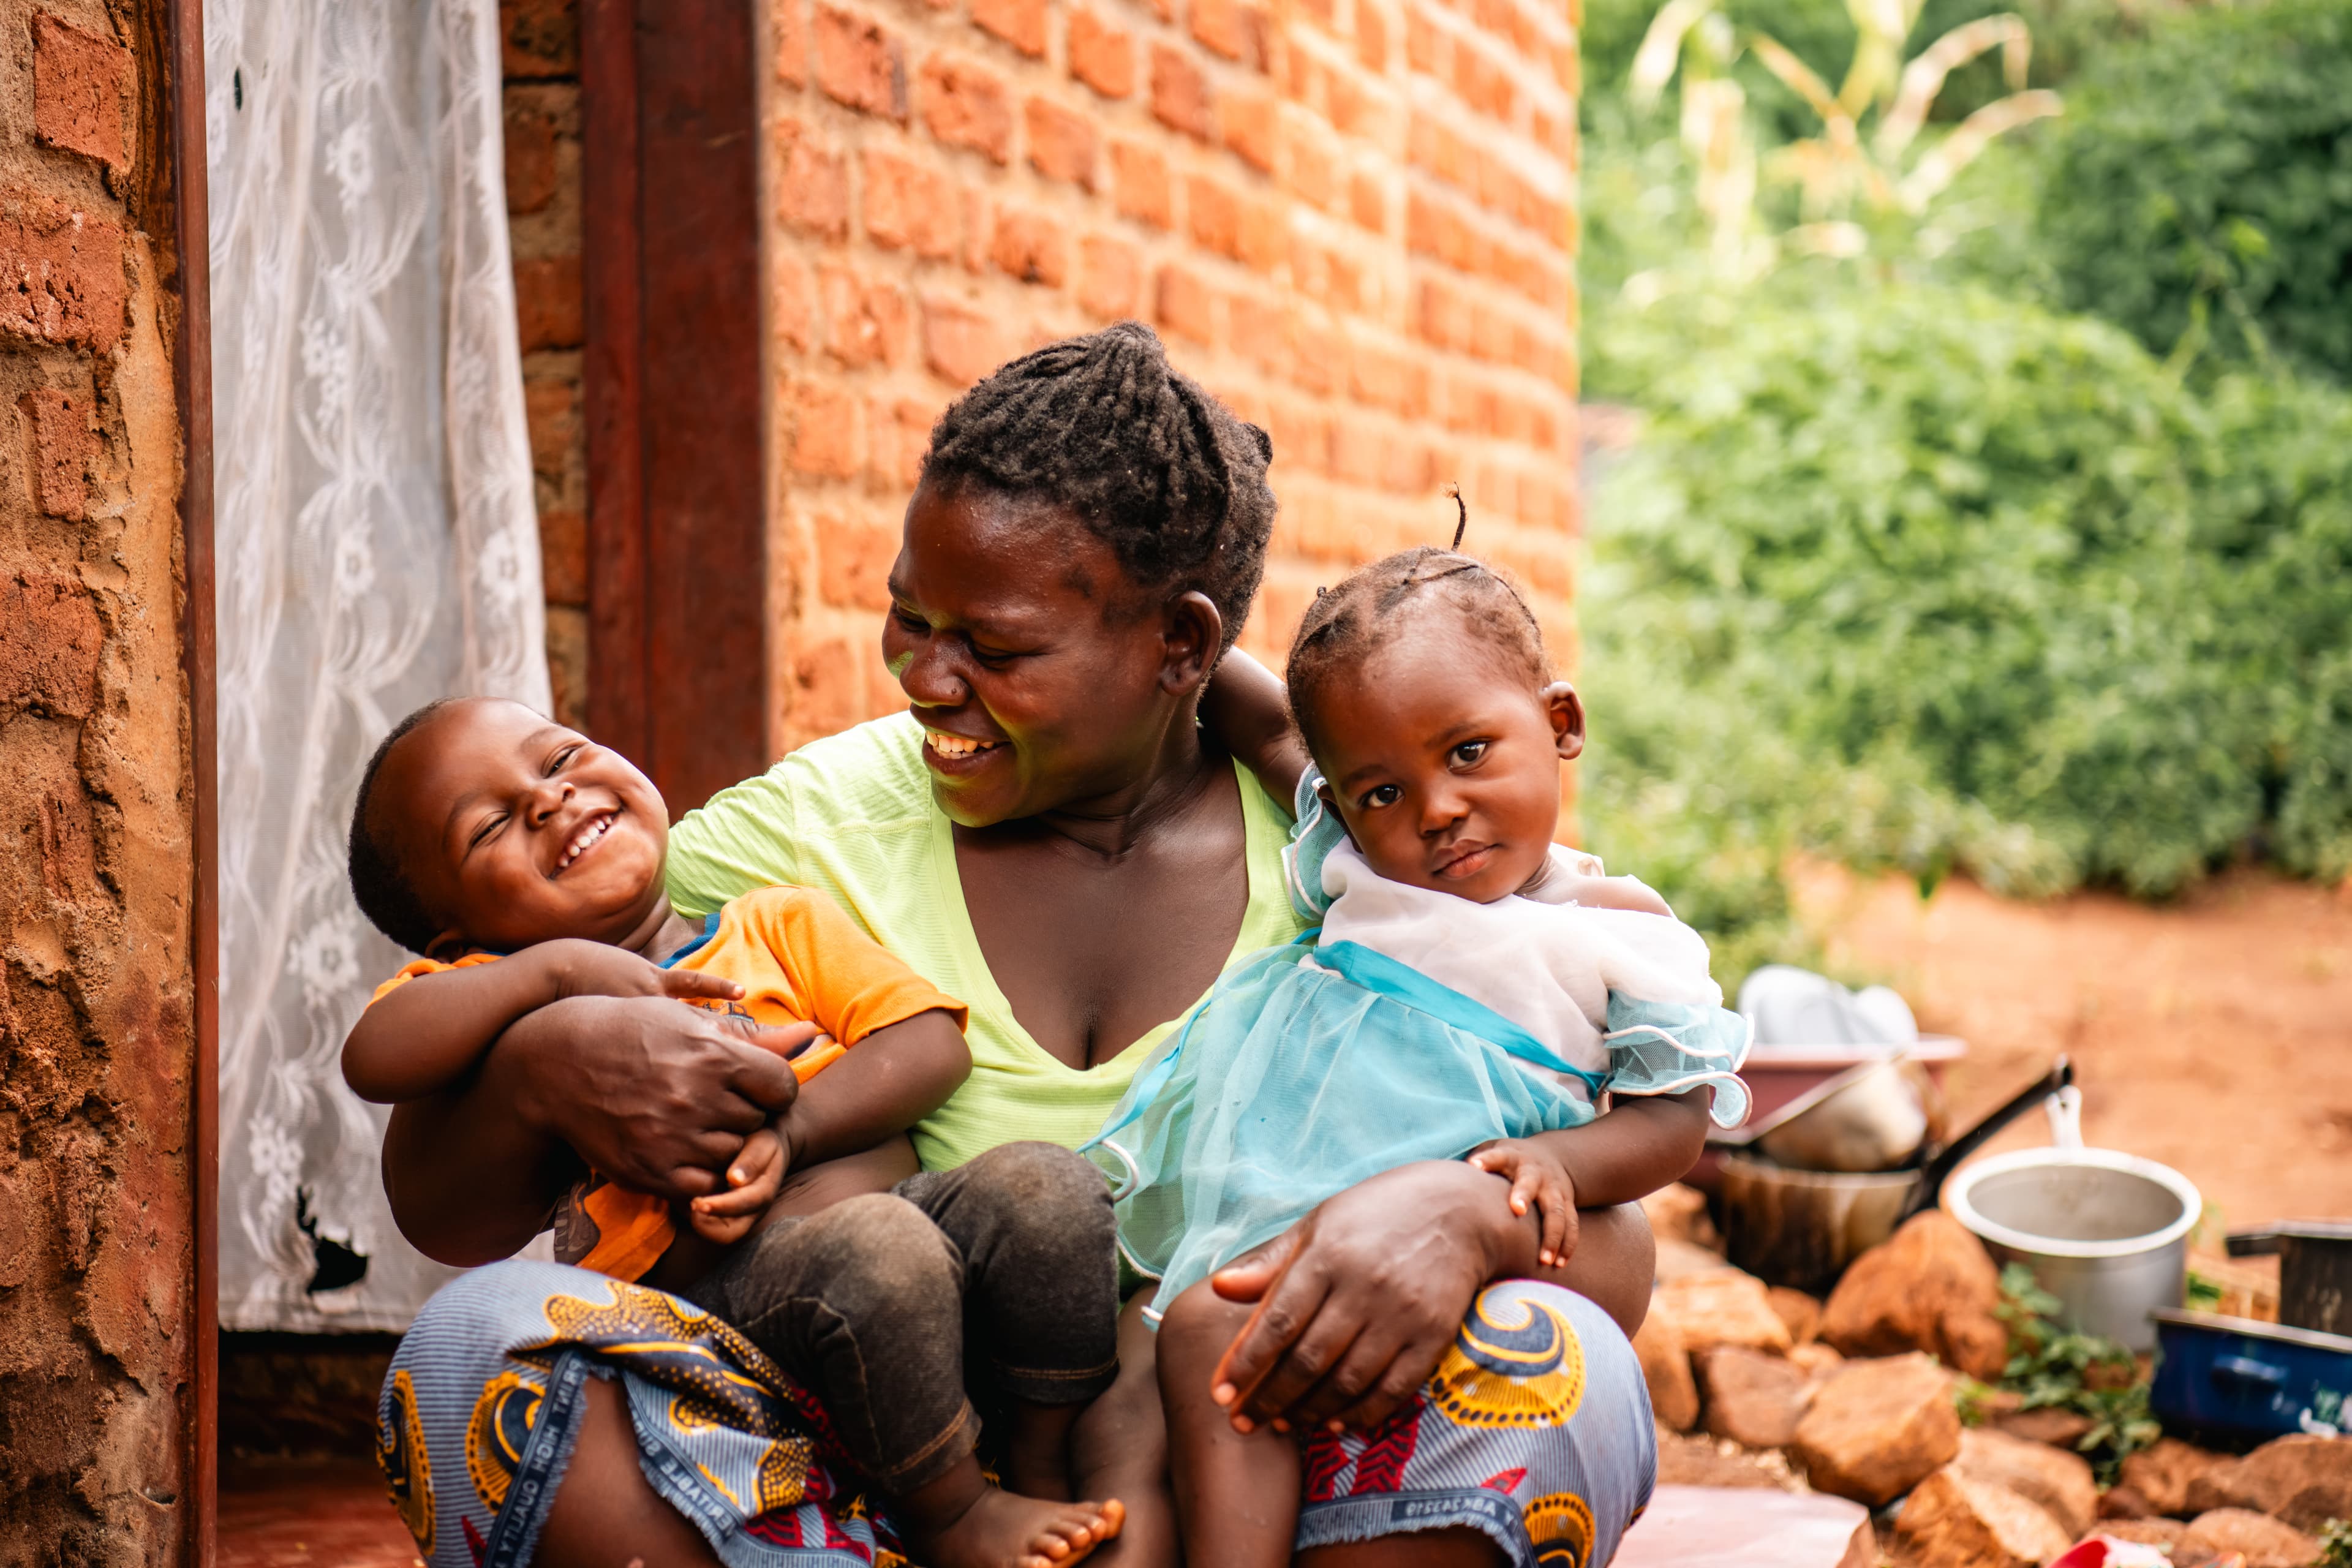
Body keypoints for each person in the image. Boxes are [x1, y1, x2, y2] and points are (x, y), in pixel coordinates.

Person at [372, 321, 1665, 1568]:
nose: (926, 678)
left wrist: (1470, 1217)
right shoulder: (813, 829)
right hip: (858, 1495)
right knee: (475, 1352)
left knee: (1564, 1365)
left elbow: (1621, 1247)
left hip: (1254, 1490)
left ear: (1185, 646)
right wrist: (544, 1059)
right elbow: (450, 1211)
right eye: (910, 619)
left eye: (995, 646)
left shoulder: (1362, 849)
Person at [344, 695, 1126, 1568]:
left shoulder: (774, 923)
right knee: (879, 1246)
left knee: (1046, 1191)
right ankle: (953, 1519)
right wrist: (552, 976)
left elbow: (929, 1041)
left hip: (908, 1252)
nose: (546, 801)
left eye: (560, 759)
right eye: (488, 827)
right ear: (457, 938)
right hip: (721, 1325)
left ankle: (1042, 1466)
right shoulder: (503, 992)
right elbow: (375, 1053)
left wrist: (794, 1133)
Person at [1095, 537, 1754, 1568]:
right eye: (1382, 793)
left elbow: (1675, 1121)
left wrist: (1561, 1165)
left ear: (1561, 723)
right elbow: (1261, 716)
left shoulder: (1618, 931)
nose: (1436, 811)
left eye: (1468, 753)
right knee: (1166, 1354)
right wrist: (1127, 592)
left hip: (1445, 1230)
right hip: (1271, 1199)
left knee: (1212, 1342)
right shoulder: (1360, 863)